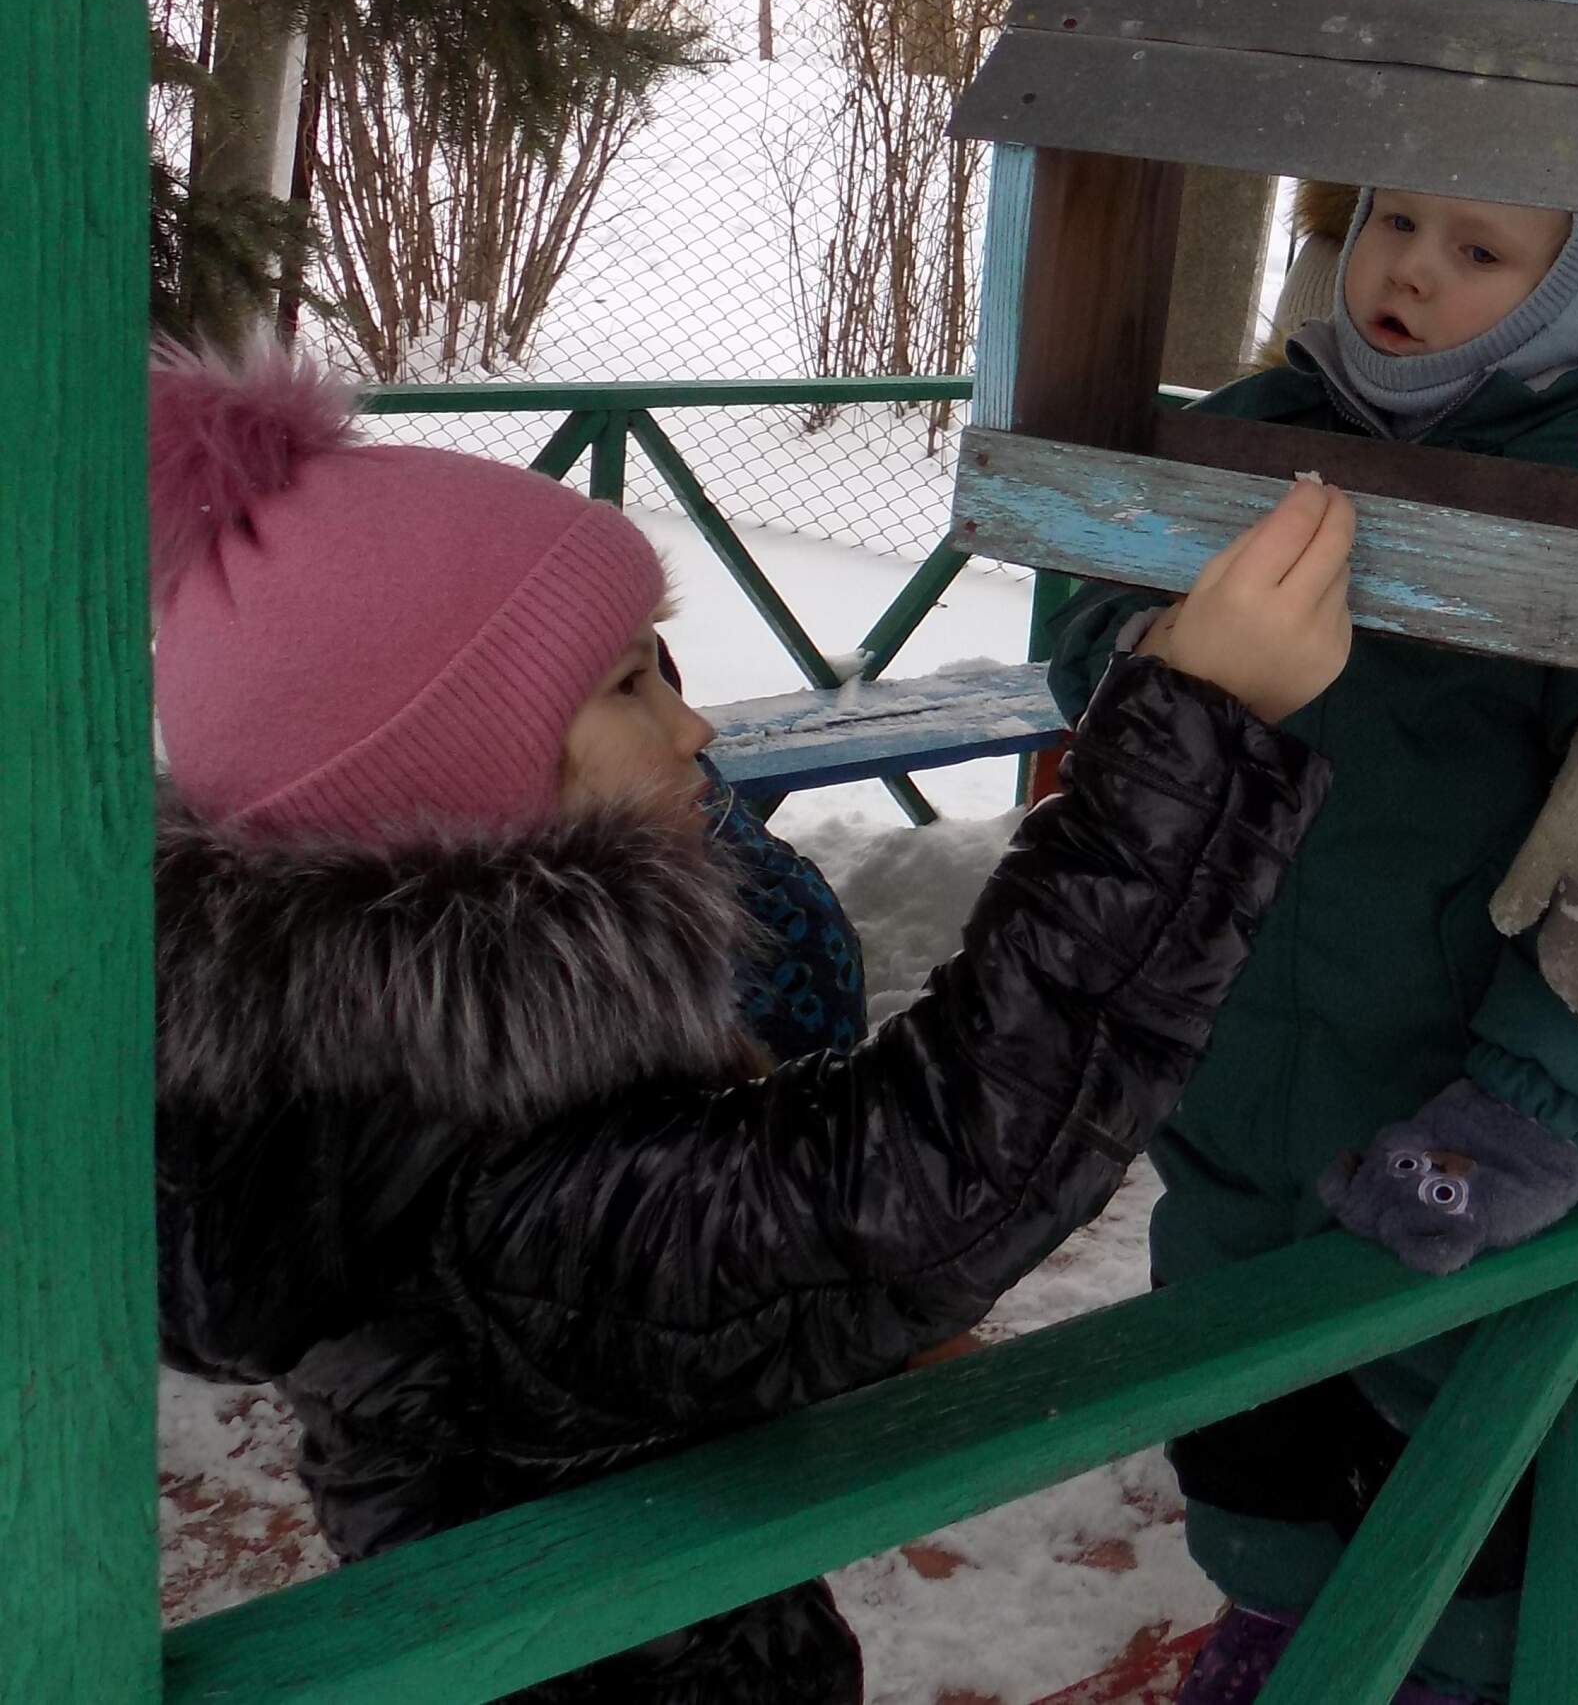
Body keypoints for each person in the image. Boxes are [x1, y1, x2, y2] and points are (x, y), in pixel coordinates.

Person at [149, 342, 1355, 1704]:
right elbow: (924, 1177)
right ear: (454, 781)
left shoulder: (388, 1073)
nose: (696, 720)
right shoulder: (496, 1176)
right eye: (624, 687)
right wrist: (1189, 745)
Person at [1044, 0, 1578, 1705]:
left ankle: (1459, 1660)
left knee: (1463, 1408)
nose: (1410, 269)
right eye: (1394, 215)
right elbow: (1089, 582)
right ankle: (1285, 1610)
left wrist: (1541, 1104)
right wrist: (1136, 644)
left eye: (1483, 243)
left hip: (1459, 1085)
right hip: (1232, 1058)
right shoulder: (1258, 420)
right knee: (1243, 1381)